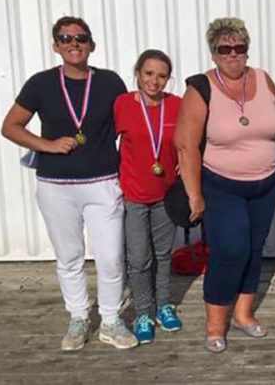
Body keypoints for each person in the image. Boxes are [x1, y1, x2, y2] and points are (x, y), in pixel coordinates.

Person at [0, 16, 138, 350]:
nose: (73, 43)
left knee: (110, 257)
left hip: (103, 182)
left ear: (92, 44)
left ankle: (110, 319)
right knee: (70, 256)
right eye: (65, 38)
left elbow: (131, 126)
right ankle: (78, 317)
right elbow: (11, 126)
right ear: (55, 45)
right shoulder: (41, 83)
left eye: (80, 38)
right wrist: (47, 145)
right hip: (56, 185)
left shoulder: (109, 81)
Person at [175, 17, 275, 353]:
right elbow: (186, 146)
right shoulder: (201, 88)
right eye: (225, 49)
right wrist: (195, 195)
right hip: (222, 184)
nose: (233, 55)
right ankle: (215, 323)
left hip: (266, 183)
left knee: (254, 248)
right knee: (230, 250)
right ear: (213, 53)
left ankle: (243, 313)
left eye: (240, 48)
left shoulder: (262, 78)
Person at [114, 49, 183, 344]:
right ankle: (143, 311)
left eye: (162, 75)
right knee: (139, 258)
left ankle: (163, 305)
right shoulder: (122, 104)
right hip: (134, 194)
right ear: (138, 73)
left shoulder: (177, 105)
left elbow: (189, 143)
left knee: (163, 255)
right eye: (149, 73)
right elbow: (104, 141)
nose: (155, 81)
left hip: (165, 193)